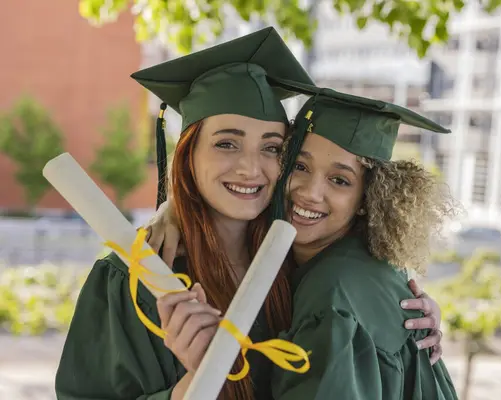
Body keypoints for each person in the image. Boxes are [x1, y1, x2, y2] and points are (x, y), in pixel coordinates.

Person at [55, 27, 315, 400]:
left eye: (271, 148)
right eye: (227, 143)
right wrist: (191, 386)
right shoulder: (135, 277)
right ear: (188, 155)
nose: (250, 167)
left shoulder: (300, 264)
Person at [263, 79, 461, 399]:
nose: (310, 193)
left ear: (368, 198)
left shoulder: (331, 295)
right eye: (299, 165)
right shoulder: (370, 262)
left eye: (340, 180)